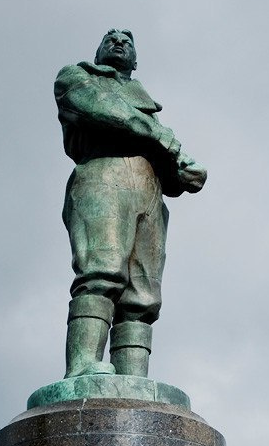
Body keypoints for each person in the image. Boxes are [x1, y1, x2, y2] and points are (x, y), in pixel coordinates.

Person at [54, 29, 207, 377]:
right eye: (110, 38)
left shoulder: (148, 109)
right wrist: (164, 138)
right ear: (97, 51)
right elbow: (107, 112)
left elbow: (173, 175)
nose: (119, 42)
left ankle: (133, 379)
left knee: (142, 296)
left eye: (128, 40)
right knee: (101, 271)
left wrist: (184, 171)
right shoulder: (76, 77)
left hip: (149, 192)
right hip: (103, 176)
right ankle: (82, 366)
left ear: (135, 59)